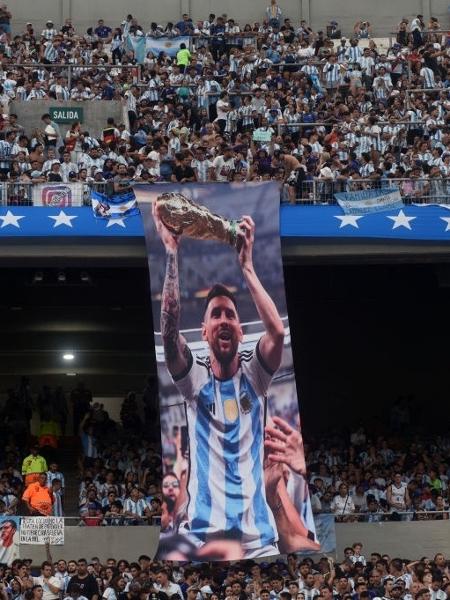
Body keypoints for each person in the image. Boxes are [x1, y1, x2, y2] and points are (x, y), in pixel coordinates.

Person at [152, 202, 317, 557]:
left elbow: (276, 331)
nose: (224, 319)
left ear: (241, 331)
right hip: (202, 536)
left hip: (258, 540)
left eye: (230, 314)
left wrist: (247, 267)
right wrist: (171, 253)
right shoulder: (193, 378)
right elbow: (167, 332)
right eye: (216, 315)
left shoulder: (254, 375)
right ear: (205, 330)